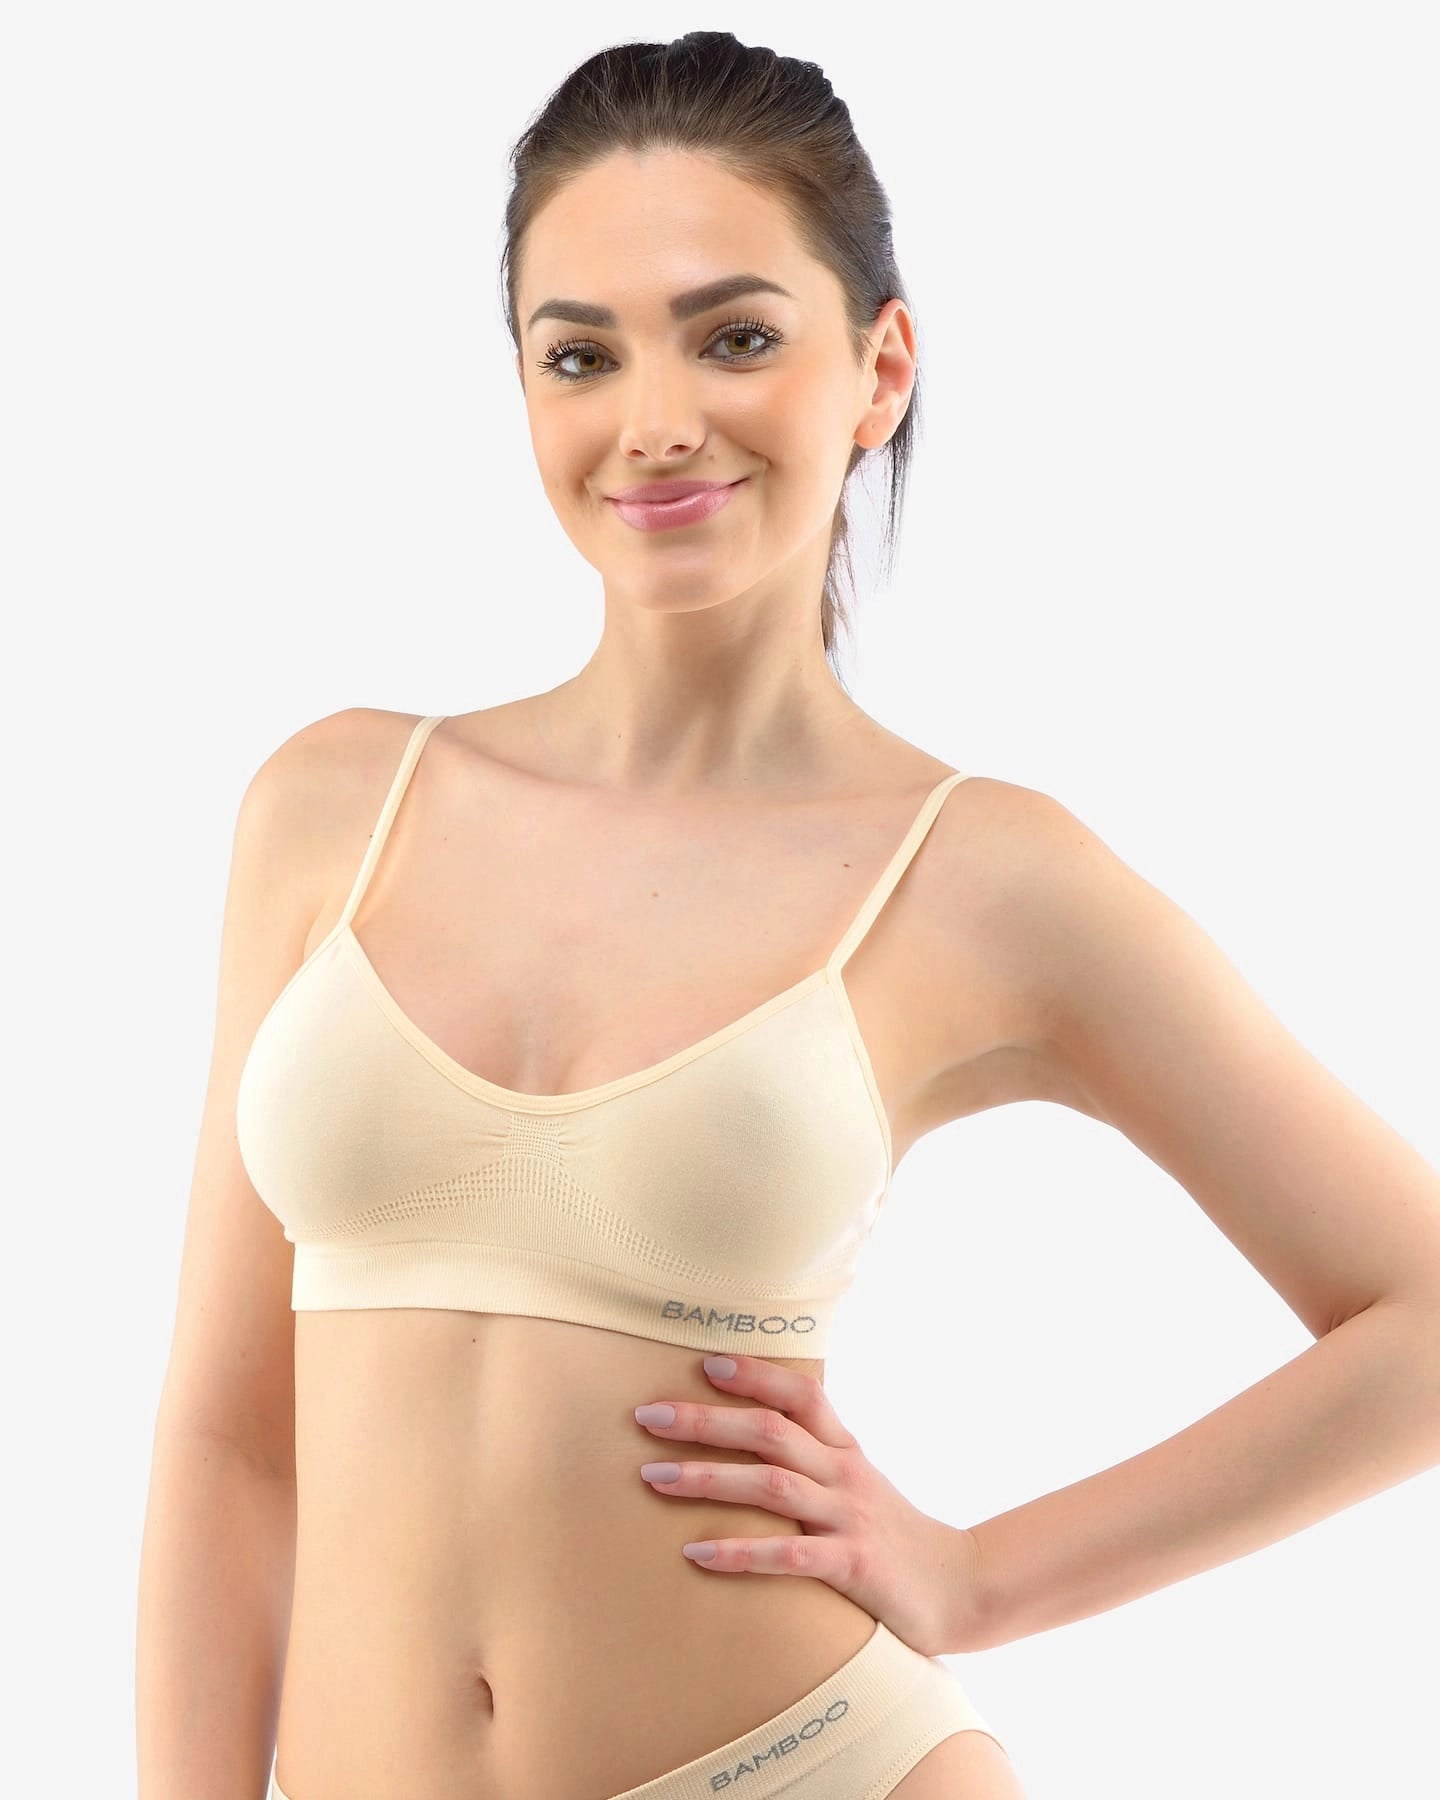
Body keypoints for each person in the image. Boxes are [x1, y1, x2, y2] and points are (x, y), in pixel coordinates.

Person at [136, 32, 1440, 1800]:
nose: (655, 420)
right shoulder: (332, 808)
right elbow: (229, 1443)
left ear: (879, 367)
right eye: (581, 353)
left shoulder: (982, 874)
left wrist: (979, 1578)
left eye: (735, 336)